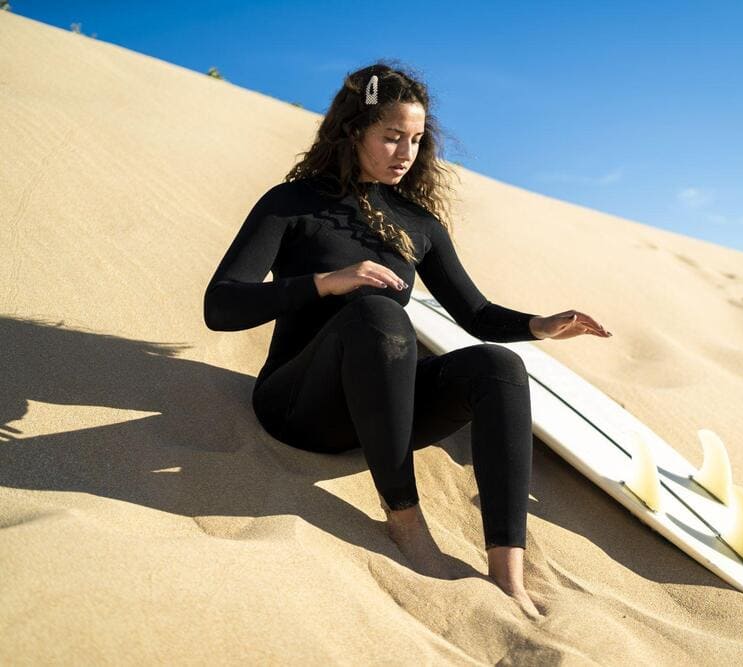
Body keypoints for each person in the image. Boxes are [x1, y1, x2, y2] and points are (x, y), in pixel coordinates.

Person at [203, 61, 612, 620]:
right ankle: (405, 521)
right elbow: (221, 306)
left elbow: (475, 315)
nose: (406, 153)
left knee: (498, 366)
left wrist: (538, 325)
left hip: (376, 419)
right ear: (353, 131)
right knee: (378, 313)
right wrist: (326, 283)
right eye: (392, 136)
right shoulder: (291, 204)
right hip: (298, 408)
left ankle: (507, 568)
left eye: (416, 140)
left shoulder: (418, 224)